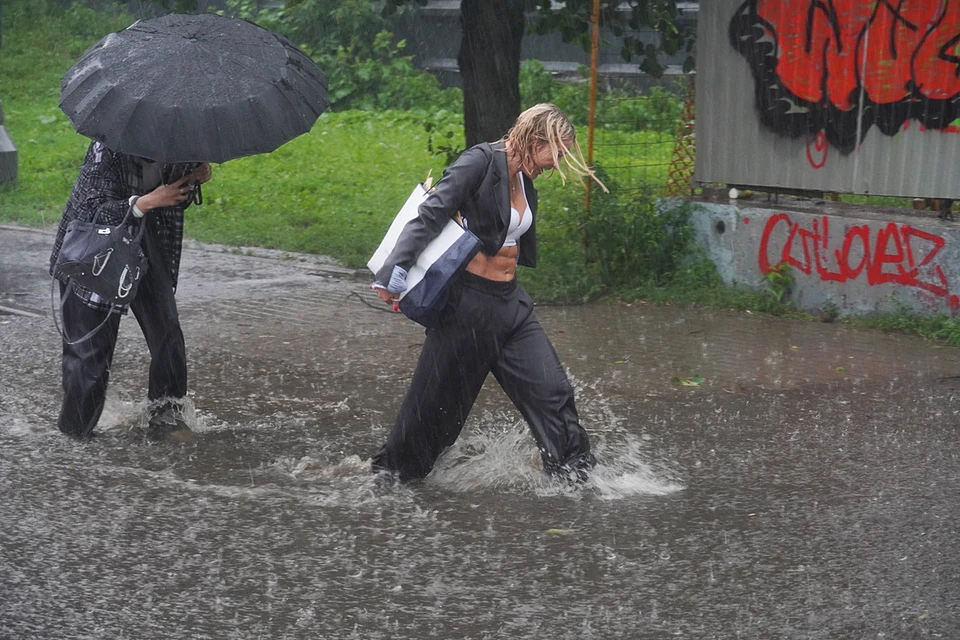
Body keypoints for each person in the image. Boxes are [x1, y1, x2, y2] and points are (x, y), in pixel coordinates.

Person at [371, 103, 607, 483]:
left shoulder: (524, 177)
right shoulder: (479, 162)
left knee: (553, 392)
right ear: (534, 141)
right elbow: (430, 213)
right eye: (556, 154)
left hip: (510, 306)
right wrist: (394, 271)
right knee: (435, 413)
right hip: (467, 308)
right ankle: (390, 480)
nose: (557, 165)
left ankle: (576, 479)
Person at [49, 140, 212, 441]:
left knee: (167, 335)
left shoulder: (183, 141)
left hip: (145, 242)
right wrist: (146, 202)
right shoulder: (107, 146)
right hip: (90, 247)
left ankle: (167, 420)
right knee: (91, 353)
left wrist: (191, 180)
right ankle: (75, 434)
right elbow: (93, 209)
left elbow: (174, 199)